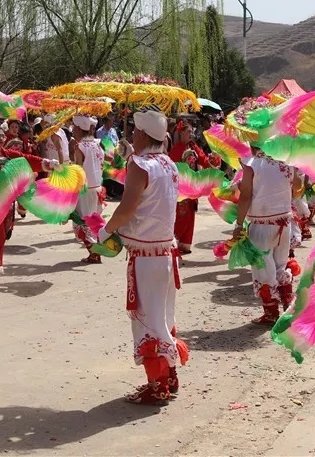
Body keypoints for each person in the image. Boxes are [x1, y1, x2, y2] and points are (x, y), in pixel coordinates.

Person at [97, 108, 187, 406]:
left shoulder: (140, 165)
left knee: (148, 320)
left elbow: (127, 208)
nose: (132, 136)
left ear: (143, 134)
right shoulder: (169, 164)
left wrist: (106, 230)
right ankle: (169, 376)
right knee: (164, 316)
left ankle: (157, 386)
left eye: (134, 132)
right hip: (166, 252)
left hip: (146, 256)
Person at [232, 139, 304, 325]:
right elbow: (297, 187)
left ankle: (271, 312)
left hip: (262, 224)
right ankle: (288, 305)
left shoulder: (252, 163)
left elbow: (245, 196)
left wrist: (238, 224)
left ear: (254, 146)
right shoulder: (286, 161)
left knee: (262, 269)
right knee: (281, 265)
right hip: (284, 223)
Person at [0, 126, 55, 280]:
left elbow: (26, 159)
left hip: (9, 200)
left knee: (4, 234)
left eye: (2, 136)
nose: (1, 139)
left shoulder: (8, 154)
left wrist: (46, 163)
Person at [168, 120, 217, 255]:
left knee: (190, 215)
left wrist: (212, 161)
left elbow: (204, 160)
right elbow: (172, 168)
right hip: (181, 189)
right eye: (188, 131)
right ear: (181, 133)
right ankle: (173, 244)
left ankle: (184, 244)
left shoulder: (193, 147)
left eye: (192, 131)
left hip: (193, 187)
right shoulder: (176, 149)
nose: (191, 134)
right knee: (181, 216)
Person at [72, 115, 106, 264]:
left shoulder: (80, 147)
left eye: (75, 128)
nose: (73, 131)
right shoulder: (96, 144)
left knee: (83, 222)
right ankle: (97, 251)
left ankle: (94, 253)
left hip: (85, 190)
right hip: (97, 187)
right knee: (93, 221)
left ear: (79, 129)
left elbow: (78, 170)